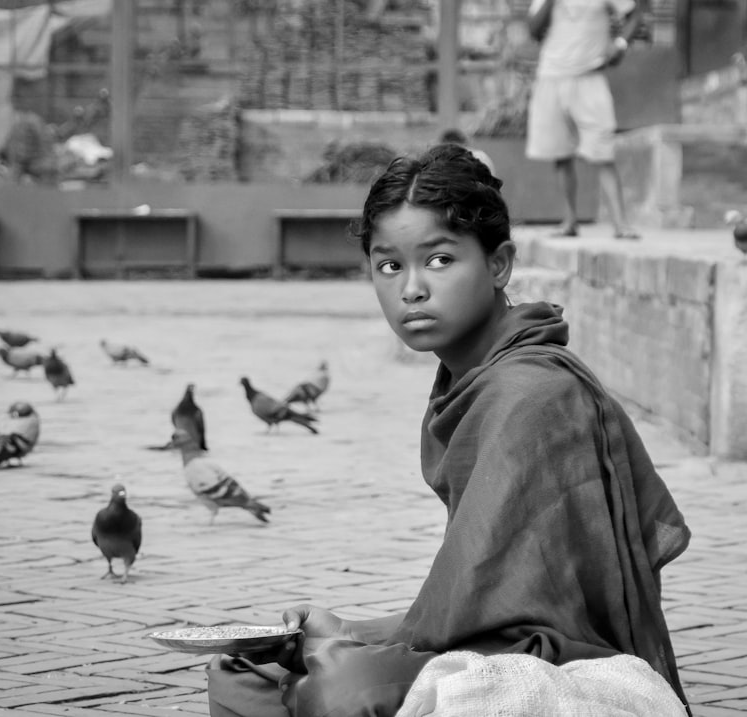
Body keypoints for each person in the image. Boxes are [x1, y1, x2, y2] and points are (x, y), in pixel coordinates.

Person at [206, 144, 691, 717]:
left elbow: (504, 616)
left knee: (343, 691)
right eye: (390, 265)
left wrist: (355, 644)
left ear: (499, 264)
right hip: (487, 636)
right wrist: (345, 630)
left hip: (559, 661)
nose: (411, 288)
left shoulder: (532, 394)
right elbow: (469, 597)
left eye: (438, 260)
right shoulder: (468, 381)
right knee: (247, 667)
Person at [526, 0, 643, 239]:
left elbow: (634, 15)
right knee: (560, 153)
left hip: (591, 75)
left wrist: (620, 44)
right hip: (551, 75)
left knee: (603, 150)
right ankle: (569, 221)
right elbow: (534, 30)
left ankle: (621, 224)